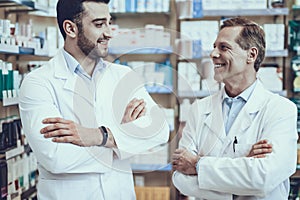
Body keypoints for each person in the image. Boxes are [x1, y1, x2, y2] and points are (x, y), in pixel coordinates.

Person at [18, 0, 169, 199]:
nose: (109, 33)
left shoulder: (123, 76)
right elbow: (55, 158)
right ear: (70, 29)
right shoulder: (38, 83)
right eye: (99, 24)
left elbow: (159, 130)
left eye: (109, 22)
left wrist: (101, 136)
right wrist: (122, 136)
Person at [172, 17, 298, 199]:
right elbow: (180, 177)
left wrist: (198, 166)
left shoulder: (281, 110)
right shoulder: (199, 109)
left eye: (223, 47)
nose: (213, 54)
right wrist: (240, 173)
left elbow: (263, 177)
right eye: (214, 46)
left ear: (251, 55)